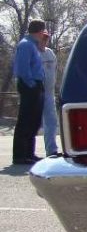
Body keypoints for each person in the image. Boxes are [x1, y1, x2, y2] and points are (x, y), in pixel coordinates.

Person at [11, 20, 47, 165]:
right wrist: (32, 85)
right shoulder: (26, 45)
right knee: (25, 120)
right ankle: (20, 155)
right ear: (39, 31)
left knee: (34, 121)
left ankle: (29, 153)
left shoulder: (34, 45)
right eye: (43, 31)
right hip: (29, 85)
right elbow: (22, 69)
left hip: (37, 85)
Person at [38, 31, 59, 157]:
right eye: (43, 38)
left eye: (46, 39)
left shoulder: (50, 53)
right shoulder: (34, 53)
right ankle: (25, 152)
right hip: (36, 92)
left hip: (49, 93)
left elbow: (55, 70)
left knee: (51, 122)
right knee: (32, 123)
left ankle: (51, 150)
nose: (45, 41)